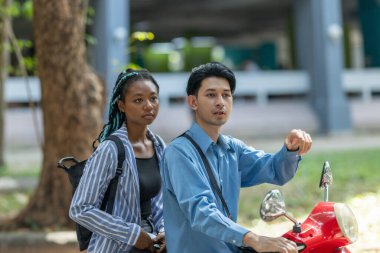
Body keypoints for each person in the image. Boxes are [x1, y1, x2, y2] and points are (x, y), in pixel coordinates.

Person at [160, 62, 312, 253]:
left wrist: (290, 149)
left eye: (226, 95)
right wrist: (253, 239)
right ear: (193, 102)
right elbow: (201, 212)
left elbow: (274, 170)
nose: (220, 102)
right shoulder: (179, 152)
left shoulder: (232, 148)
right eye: (210, 95)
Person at [70, 68, 166, 253]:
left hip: (153, 245)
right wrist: (132, 234)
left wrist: (164, 231)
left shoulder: (159, 146)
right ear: (121, 105)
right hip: (116, 247)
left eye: (153, 98)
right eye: (138, 100)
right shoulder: (111, 149)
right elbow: (80, 208)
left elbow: (162, 202)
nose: (148, 105)